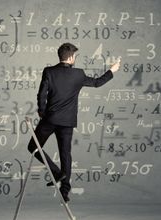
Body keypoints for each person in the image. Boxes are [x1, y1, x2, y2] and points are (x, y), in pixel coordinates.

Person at [27, 42, 121, 202]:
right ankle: (65, 190)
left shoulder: (49, 71)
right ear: (70, 57)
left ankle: (56, 172)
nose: (75, 59)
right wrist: (112, 70)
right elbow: (97, 83)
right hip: (68, 121)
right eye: (75, 56)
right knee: (65, 154)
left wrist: (42, 111)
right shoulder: (78, 74)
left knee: (33, 147)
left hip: (50, 119)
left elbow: (41, 94)